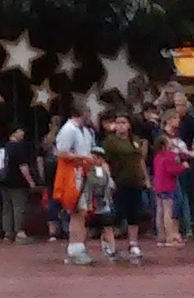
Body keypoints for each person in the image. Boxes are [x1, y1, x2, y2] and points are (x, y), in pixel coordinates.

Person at [52, 104, 104, 263]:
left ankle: (79, 246)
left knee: (84, 211)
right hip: (73, 174)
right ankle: (75, 249)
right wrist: (83, 158)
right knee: (76, 210)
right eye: (89, 112)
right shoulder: (68, 130)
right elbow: (61, 153)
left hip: (85, 172)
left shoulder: (87, 131)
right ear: (82, 113)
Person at [96, 109, 147, 265]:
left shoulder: (135, 141)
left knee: (134, 214)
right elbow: (103, 161)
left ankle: (133, 243)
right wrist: (108, 179)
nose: (120, 126)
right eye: (118, 123)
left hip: (135, 181)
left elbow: (140, 159)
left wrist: (145, 178)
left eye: (123, 123)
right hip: (119, 181)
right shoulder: (110, 141)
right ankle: (108, 241)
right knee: (117, 213)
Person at [0, 122, 39, 244]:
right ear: (15, 133)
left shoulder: (4, 147)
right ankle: (20, 233)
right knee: (19, 207)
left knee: (7, 208)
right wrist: (31, 181)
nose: (23, 133)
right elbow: (23, 166)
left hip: (4, 181)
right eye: (21, 131)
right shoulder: (19, 147)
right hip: (17, 182)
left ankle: (7, 234)